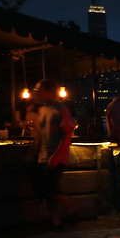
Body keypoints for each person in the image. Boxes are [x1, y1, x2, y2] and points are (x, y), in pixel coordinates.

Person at [30, 79, 78, 228]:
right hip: (44, 156)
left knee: (51, 188)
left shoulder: (60, 109)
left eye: (40, 90)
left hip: (57, 156)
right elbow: (41, 133)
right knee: (48, 191)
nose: (37, 93)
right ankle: (55, 221)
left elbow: (66, 134)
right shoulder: (44, 109)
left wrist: (55, 156)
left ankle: (72, 211)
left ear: (49, 92)